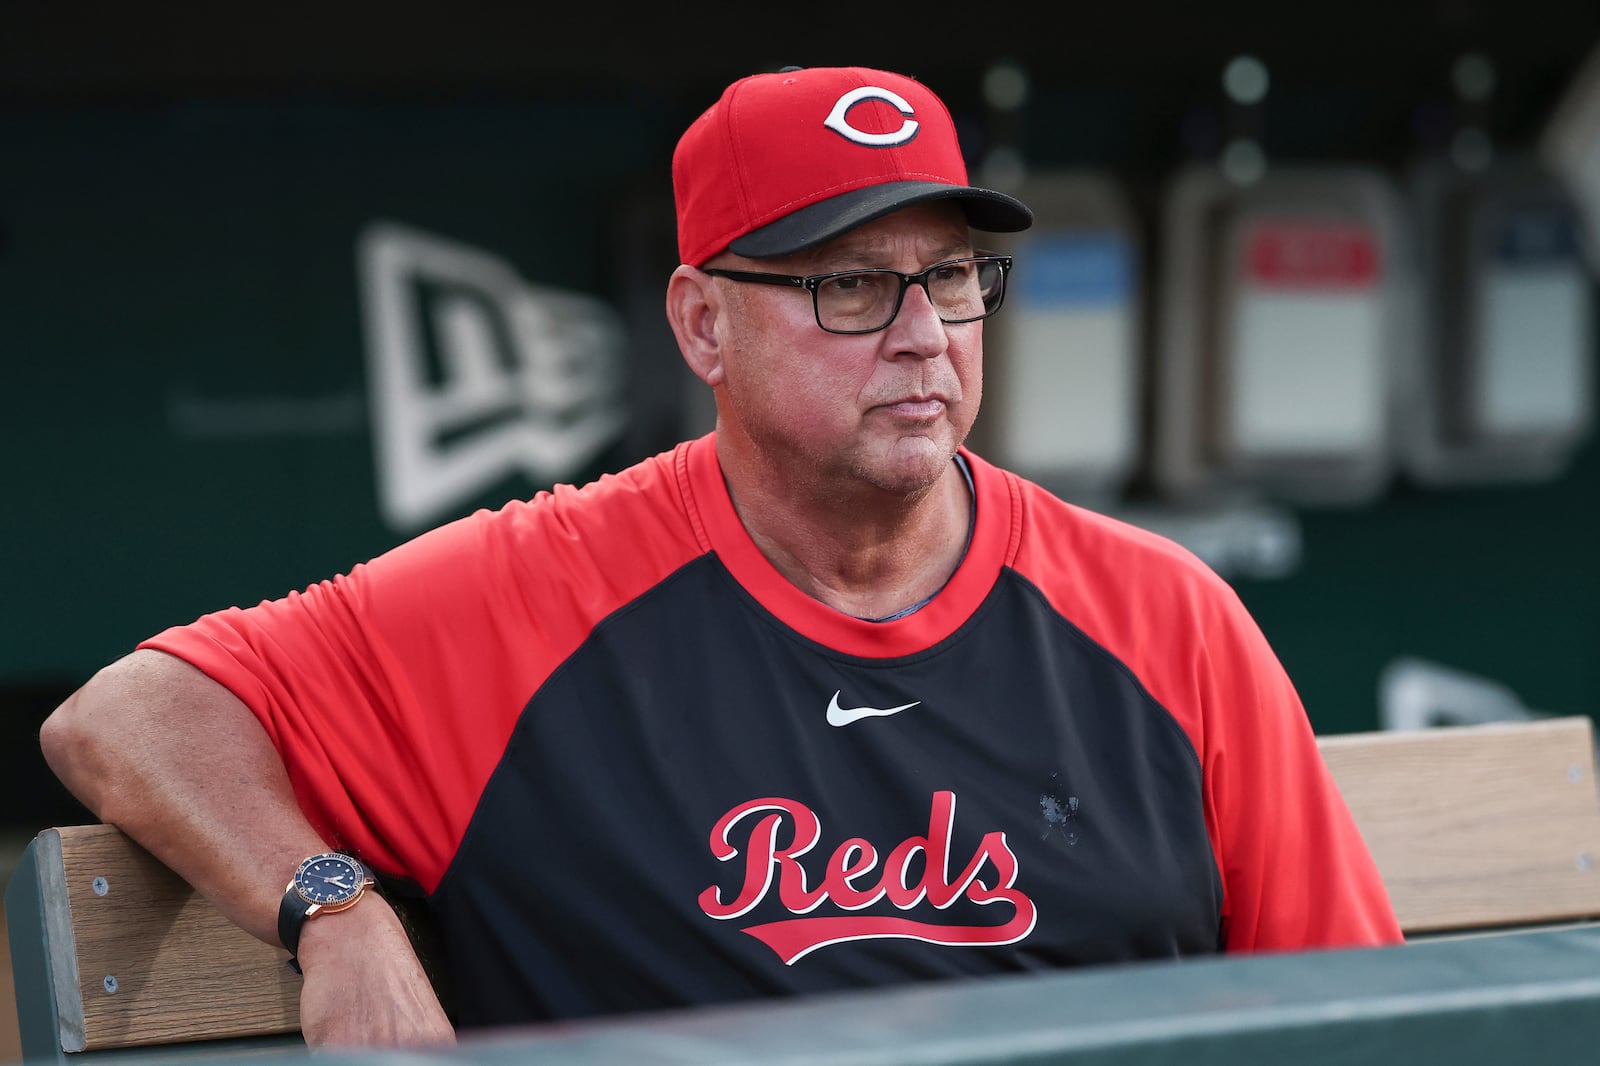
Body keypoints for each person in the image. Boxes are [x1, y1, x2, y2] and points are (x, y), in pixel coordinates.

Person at [39, 64, 1402, 1049]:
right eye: (851, 284)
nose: (924, 332)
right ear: (701, 324)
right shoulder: (537, 594)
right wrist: (332, 910)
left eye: (950, 276)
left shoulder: (1165, 618)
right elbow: (129, 712)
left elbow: (1364, 1021)